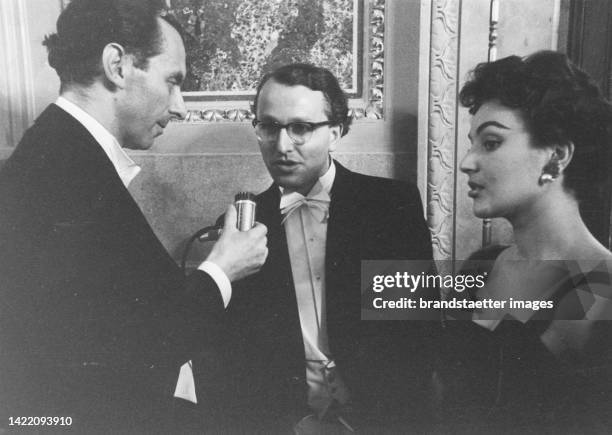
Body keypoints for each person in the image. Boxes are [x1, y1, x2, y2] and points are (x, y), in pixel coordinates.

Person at [0, 0, 267, 433]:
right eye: (173, 81)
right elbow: (131, 348)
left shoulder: (63, 154)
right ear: (116, 66)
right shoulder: (62, 173)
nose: (180, 106)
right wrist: (222, 270)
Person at [193, 63, 437, 433]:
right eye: (269, 127)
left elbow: (418, 334)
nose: (282, 145)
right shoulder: (241, 226)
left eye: (301, 128)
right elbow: (236, 358)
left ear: (335, 132)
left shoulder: (391, 206)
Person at [440, 50, 612, 432]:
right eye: (472, 143)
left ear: (556, 157)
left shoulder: (601, 287)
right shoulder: (482, 264)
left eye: (490, 143)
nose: (467, 162)